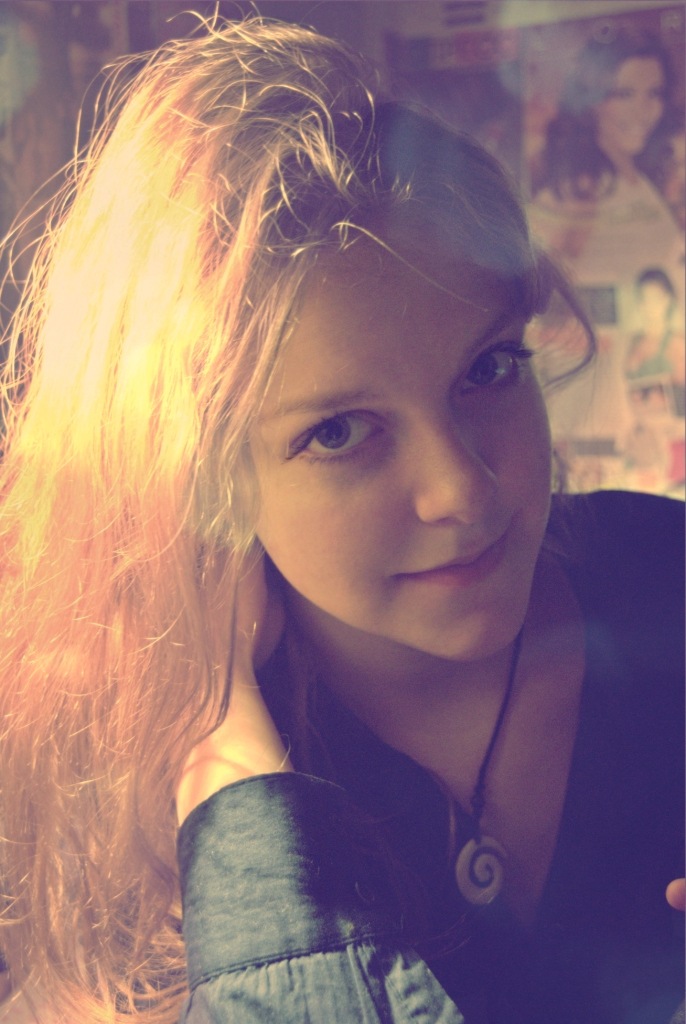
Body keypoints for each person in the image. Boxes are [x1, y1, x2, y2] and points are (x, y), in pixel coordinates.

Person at [0, 17, 682, 1024]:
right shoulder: (109, 790)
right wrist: (226, 759)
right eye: (339, 432)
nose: (461, 490)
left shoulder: (667, 580)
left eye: (489, 368)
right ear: (202, 475)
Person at [528, 28, 685, 470]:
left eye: (653, 93)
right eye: (624, 94)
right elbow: (522, 296)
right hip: (599, 427)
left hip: (651, 405)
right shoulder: (580, 192)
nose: (643, 109)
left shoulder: (640, 183)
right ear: (592, 101)